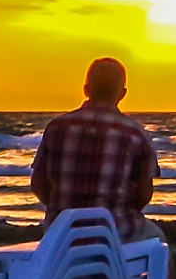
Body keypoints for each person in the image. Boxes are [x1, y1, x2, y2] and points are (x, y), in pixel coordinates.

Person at [30, 56, 161, 243]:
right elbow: (143, 196)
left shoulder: (56, 128)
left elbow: (39, 185)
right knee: (160, 245)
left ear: (85, 89)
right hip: (115, 232)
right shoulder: (135, 134)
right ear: (122, 93)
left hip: (61, 234)